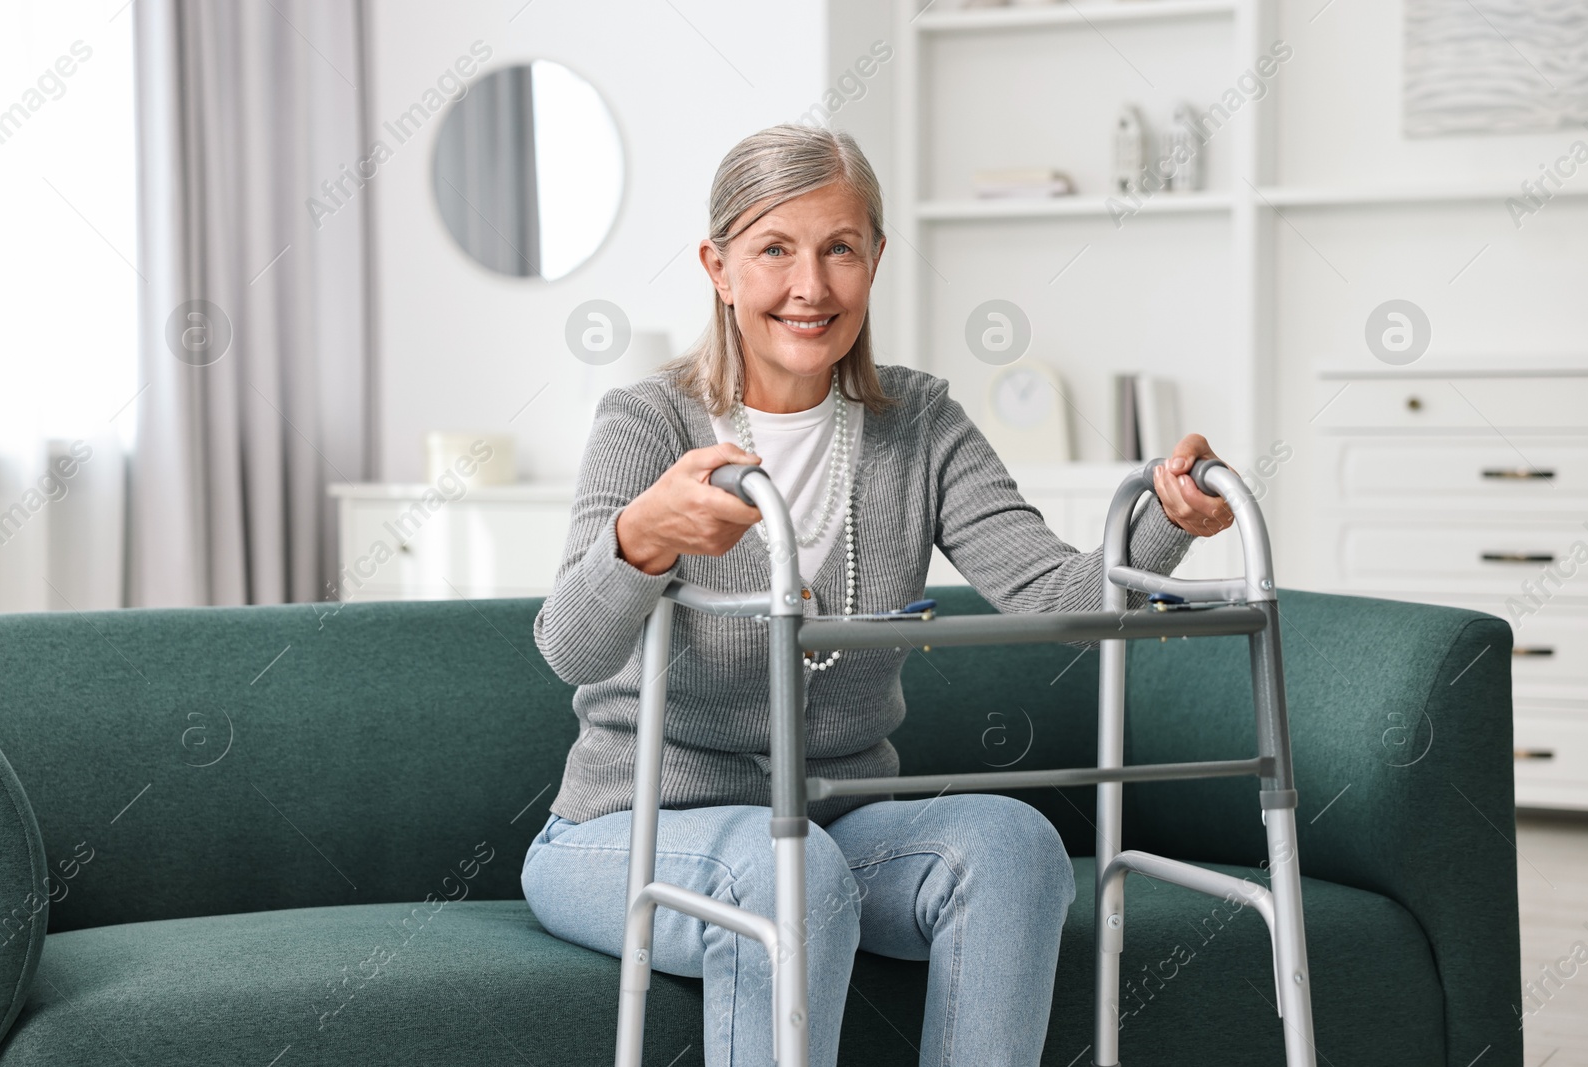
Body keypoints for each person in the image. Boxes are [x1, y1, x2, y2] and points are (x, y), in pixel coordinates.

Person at [522, 123, 1235, 1067]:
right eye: (774, 249)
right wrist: (641, 540)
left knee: (1014, 845)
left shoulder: (921, 422)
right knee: (789, 874)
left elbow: (1057, 593)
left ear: (875, 259)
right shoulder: (649, 419)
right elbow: (570, 647)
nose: (811, 286)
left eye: (840, 249)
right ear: (719, 267)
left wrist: (1168, 519)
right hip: (630, 829)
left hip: (836, 825)